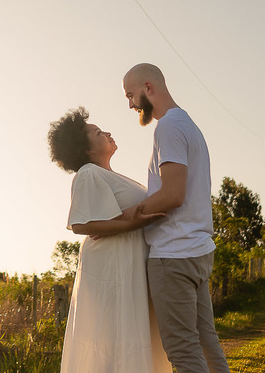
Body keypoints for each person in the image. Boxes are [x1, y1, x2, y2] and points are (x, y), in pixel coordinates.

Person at [124, 63, 231, 373]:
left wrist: (129, 215)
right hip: (196, 251)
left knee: (183, 351)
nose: (130, 105)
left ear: (148, 88)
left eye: (130, 95)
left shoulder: (168, 127)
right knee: (206, 343)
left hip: (173, 255)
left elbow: (173, 194)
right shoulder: (187, 124)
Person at [47, 107, 172, 373]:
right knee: (113, 336)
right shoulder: (88, 173)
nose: (108, 133)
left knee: (131, 336)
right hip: (112, 266)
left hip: (127, 260)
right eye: (98, 133)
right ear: (87, 149)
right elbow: (81, 224)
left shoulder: (109, 175)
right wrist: (136, 222)